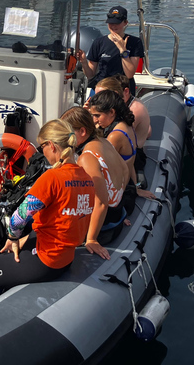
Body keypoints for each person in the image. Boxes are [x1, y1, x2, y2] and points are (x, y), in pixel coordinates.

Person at [0, 120, 93, 311]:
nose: (43, 154)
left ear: (51, 145)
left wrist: (12, 237)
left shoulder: (52, 178)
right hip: (65, 258)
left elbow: (19, 218)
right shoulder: (86, 179)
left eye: (42, 148)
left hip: (46, 261)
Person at [60, 107, 129, 259]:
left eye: (68, 135)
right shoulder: (105, 142)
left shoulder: (87, 157)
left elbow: (101, 202)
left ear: (83, 132)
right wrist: (118, 203)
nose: (66, 140)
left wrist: (91, 239)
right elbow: (125, 171)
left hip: (106, 226)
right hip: (118, 214)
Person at [87, 90, 156, 218]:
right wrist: (135, 187)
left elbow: (100, 167)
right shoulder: (125, 125)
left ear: (112, 112)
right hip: (126, 186)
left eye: (97, 115)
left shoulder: (115, 136)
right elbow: (129, 164)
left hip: (119, 195)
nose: (95, 120)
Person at [77, 5, 144, 96]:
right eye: (111, 23)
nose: (113, 26)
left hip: (122, 90)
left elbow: (129, 75)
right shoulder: (99, 42)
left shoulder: (135, 42)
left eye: (117, 23)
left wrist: (123, 50)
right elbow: (90, 75)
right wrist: (84, 62)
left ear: (125, 23)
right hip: (102, 88)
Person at [96, 74, 151, 175]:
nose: (98, 100)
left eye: (102, 96)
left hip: (134, 157)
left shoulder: (134, 110)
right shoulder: (125, 108)